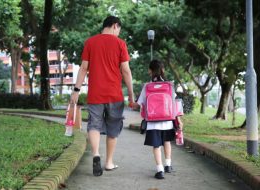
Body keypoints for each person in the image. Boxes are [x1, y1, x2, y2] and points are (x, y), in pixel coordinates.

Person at [70, 16, 134, 177]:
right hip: (114, 94)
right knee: (113, 128)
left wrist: (76, 90)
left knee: (94, 125)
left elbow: (84, 68)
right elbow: (126, 71)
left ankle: (96, 154)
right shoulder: (120, 44)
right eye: (119, 29)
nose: (119, 33)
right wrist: (132, 95)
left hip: (95, 94)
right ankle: (109, 162)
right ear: (114, 26)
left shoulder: (90, 42)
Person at [132, 59, 183, 179]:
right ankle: (168, 166)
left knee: (156, 146)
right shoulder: (169, 86)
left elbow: (140, 103)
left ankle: (160, 170)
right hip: (167, 121)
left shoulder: (147, 86)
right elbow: (175, 104)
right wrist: (179, 121)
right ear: (163, 70)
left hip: (152, 122)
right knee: (167, 142)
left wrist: (132, 103)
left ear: (150, 71)